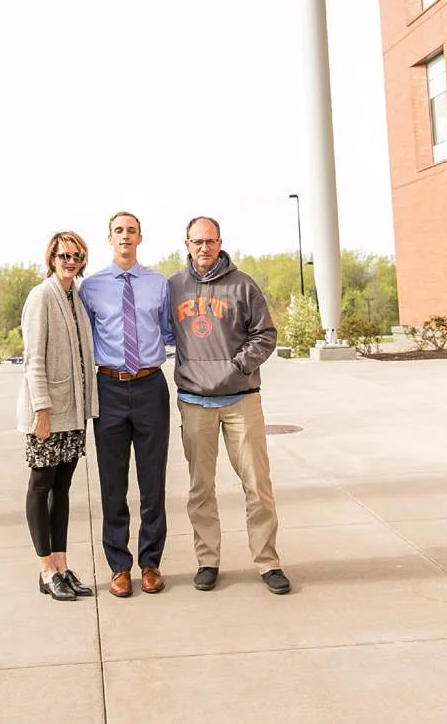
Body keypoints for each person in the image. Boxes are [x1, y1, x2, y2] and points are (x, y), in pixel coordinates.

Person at [168, 217, 290, 594]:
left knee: (257, 485)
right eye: (197, 241)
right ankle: (208, 561)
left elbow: (265, 334)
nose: (203, 248)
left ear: (220, 243)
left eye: (210, 241)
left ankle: (268, 562)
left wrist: (237, 368)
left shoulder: (243, 285)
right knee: (201, 488)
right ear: (187, 245)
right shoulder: (173, 287)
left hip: (241, 400)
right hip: (194, 401)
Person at [81, 211, 175, 597]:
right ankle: (119, 566)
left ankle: (150, 563)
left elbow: (169, 331)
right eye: (118, 230)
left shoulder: (158, 284)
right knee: (112, 484)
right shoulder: (91, 287)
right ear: (110, 238)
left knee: (153, 483)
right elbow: (85, 339)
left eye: (131, 230)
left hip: (151, 386)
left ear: (140, 238)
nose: (125, 236)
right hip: (109, 389)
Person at [18, 229, 100, 601]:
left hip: (74, 413)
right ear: (52, 258)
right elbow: (33, 359)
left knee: (62, 489)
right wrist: (41, 410)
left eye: (76, 256)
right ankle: (46, 569)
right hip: (48, 414)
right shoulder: (42, 296)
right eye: (64, 255)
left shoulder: (75, 298)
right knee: (41, 486)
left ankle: (62, 566)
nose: (70, 262)